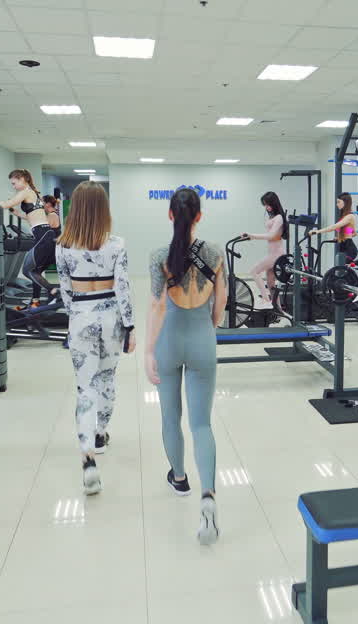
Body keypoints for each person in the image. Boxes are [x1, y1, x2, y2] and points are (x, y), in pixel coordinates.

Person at [146, 188, 226, 545]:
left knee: (170, 417)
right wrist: (209, 327)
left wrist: (149, 351)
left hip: (168, 341)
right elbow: (221, 300)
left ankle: (179, 479)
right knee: (201, 423)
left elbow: (157, 306)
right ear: (199, 216)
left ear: (169, 215)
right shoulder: (215, 253)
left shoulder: (158, 256)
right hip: (202, 340)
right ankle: (208, 495)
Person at [55, 182, 134, 495]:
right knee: (107, 378)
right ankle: (101, 433)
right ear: (104, 209)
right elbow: (123, 289)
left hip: (81, 316)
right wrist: (130, 327)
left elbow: (65, 291)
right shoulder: (116, 244)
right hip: (111, 317)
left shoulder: (62, 246)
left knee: (85, 386)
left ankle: (88, 456)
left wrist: (77, 316)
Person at [0, 169, 57, 309]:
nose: (13, 186)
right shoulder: (34, 193)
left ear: (22, 179)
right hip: (45, 234)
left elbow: (5, 204)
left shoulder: (25, 192)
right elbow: (32, 217)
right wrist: (15, 213)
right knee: (36, 271)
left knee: (28, 270)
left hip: (42, 235)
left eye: (14, 183)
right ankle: (35, 302)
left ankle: (54, 292)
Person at [241, 191, 286, 309]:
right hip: (272, 253)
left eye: (268, 204)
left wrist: (252, 236)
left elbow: (271, 235)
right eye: (265, 205)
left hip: (276, 254)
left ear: (274, 203)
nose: (266, 207)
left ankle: (266, 300)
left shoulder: (279, 218)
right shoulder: (273, 217)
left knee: (254, 271)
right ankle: (279, 311)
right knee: (271, 283)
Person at [309, 193, 358, 264]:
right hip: (342, 247)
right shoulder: (344, 217)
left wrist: (317, 231)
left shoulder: (350, 216)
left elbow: (333, 227)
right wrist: (340, 237)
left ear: (345, 202)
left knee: (340, 268)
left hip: (349, 249)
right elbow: (354, 233)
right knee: (340, 268)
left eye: (338, 202)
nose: (337, 204)